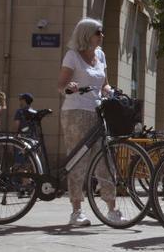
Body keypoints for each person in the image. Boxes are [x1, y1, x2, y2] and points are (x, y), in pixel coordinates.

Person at [56, 18, 120, 226]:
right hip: (76, 112)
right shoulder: (72, 56)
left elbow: (105, 84)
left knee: (105, 160)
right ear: (86, 34)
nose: (102, 36)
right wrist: (69, 87)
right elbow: (61, 85)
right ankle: (76, 211)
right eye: (98, 32)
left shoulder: (100, 55)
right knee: (78, 161)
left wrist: (110, 91)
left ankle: (112, 208)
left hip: (98, 113)